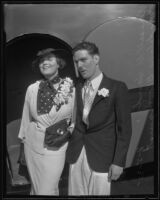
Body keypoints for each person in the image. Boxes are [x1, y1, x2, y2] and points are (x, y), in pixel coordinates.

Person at [66, 41, 132, 195]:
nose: (79, 66)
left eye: (84, 60)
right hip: (76, 155)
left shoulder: (117, 87)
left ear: (96, 59)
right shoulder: (75, 87)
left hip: (103, 157)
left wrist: (118, 162)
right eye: (76, 62)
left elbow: (125, 130)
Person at [18, 48, 75, 195]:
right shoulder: (32, 88)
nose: (45, 63)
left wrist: (69, 132)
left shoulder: (71, 89)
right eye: (42, 61)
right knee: (36, 187)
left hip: (57, 145)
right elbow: (26, 118)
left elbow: (76, 118)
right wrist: (23, 140)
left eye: (49, 59)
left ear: (59, 63)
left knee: (47, 189)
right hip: (33, 145)